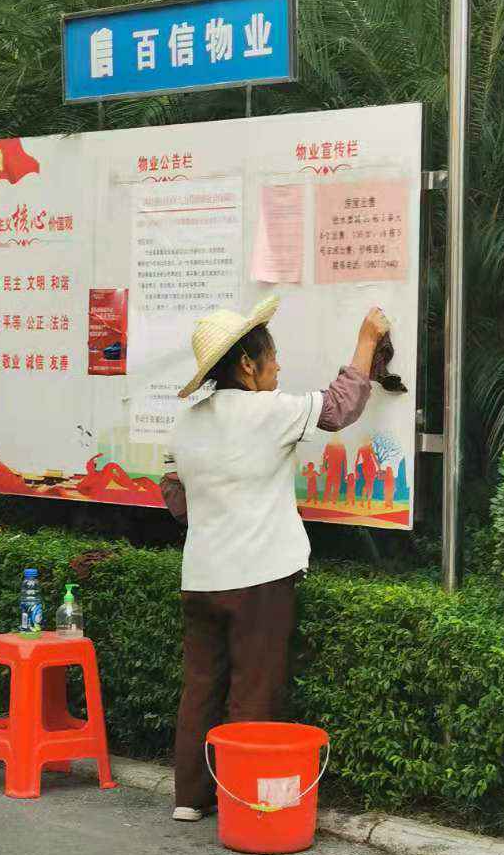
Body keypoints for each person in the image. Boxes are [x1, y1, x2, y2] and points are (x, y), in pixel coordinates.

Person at [164, 296, 388, 821]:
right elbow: (339, 408)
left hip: (201, 576)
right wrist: (366, 341)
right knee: (253, 691)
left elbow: (175, 497)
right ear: (247, 365)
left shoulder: (187, 422)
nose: (280, 366)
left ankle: (190, 799)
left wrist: (219, 514)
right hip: (259, 579)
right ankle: (241, 803)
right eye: (273, 356)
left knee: (201, 688)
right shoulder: (270, 412)